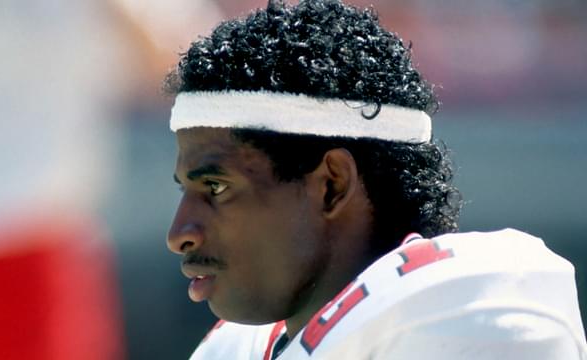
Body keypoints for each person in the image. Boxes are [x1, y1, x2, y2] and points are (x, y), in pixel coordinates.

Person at [164, 0, 587, 358]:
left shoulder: (459, 308)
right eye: (186, 190)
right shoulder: (238, 345)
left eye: (215, 187)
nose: (179, 234)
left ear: (331, 184)